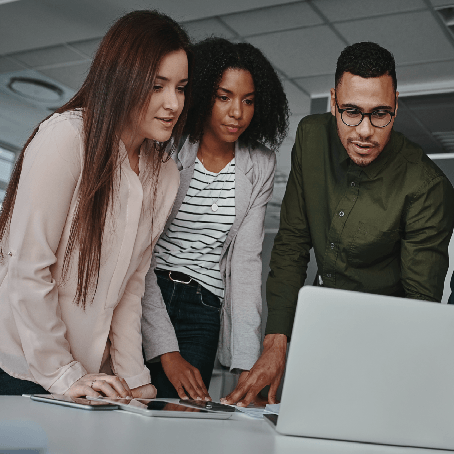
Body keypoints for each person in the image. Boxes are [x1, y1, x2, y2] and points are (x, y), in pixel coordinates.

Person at [222, 41, 454, 407]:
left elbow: (418, 308)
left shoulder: (427, 187)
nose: (364, 131)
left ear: (396, 104)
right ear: (333, 101)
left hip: (385, 338)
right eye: (351, 112)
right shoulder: (312, 136)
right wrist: (275, 341)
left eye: (380, 113)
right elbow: (292, 244)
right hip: (317, 325)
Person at [0, 10, 191, 397]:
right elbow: (27, 269)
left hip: (90, 377)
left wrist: (135, 380)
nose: (173, 103)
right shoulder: (67, 139)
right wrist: (62, 374)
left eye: (181, 87)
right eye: (157, 86)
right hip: (25, 369)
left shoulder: (165, 173)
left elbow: (130, 287)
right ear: (122, 80)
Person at [141, 37, 289, 400]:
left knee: (180, 422)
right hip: (147, 292)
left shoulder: (260, 164)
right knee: (127, 406)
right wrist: (165, 349)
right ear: (204, 93)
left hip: (204, 308)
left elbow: (245, 264)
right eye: (224, 97)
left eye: (248, 100)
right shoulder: (167, 145)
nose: (237, 112)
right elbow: (136, 251)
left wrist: (246, 365)